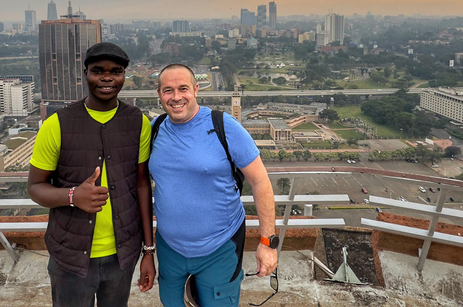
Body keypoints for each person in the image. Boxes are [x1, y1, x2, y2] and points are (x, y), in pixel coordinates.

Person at [27, 42, 155, 307]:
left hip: (123, 255)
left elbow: (142, 185)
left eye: (116, 71)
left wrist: (148, 250)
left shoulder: (137, 121)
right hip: (71, 258)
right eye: (98, 71)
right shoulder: (57, 124)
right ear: (85, 74)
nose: (107, 78)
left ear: (123, 76)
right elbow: (35, 187)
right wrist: (73, 196)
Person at [150, 64, 278, 307]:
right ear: (159, 94)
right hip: (170, 248)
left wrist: (267, 243)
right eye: (168, 90)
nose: (176, 97)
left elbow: (260, 181)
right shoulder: (154, 130)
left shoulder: (224, 126)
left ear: (196, 90)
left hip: (219, 248)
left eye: (183, 89)